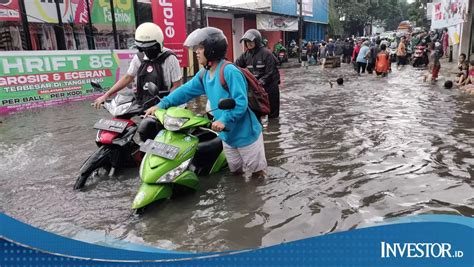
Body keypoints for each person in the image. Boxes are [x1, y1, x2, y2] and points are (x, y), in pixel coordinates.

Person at [145, 27, 267, 178]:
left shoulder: (229, 71)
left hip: (246, 135)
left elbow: (240, 103)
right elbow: (184, 91)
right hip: (226, 136)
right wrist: (161, 105)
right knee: (236, 174)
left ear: (212, 49)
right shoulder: (204, 74)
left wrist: (223, 119)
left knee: (258, 176)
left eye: (201, 48)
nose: (196, 51)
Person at [92, 22, 182, 142]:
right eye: (143, 49)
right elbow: (128, 77)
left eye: (150, 48)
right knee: (144, 132)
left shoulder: (170, 58)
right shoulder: (139, 58)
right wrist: (106, 95)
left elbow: (177, 85)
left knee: (161, 136)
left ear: (159, 44)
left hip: (167, 102)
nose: (147, 52)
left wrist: (163, 105)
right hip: (146, 101)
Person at [235, 29, 281, 119]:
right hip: (256, 88)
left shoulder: (267, 53)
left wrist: (260, 82)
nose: (248, 44)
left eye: (250, 41)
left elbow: (270, 72)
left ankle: (273, 130)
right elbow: (235, 66)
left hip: (270, 87)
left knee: (273, 116)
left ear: (257, 41)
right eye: (246, 42)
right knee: (256, 113)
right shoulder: (245, 55)